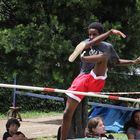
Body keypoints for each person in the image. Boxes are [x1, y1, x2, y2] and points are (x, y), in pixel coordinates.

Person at [60, 22, 140, 140]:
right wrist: (110, 32)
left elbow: (116, 62)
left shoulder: (107, 46)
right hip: (82, 79)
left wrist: (133, 62)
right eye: (89, 34)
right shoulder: (86, 43)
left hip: (97, 77)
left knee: (104, 56)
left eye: (94, 34)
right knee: (67, 113)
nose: (91, 37)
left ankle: (84, 58)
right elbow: (91, 42)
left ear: (101, 34)